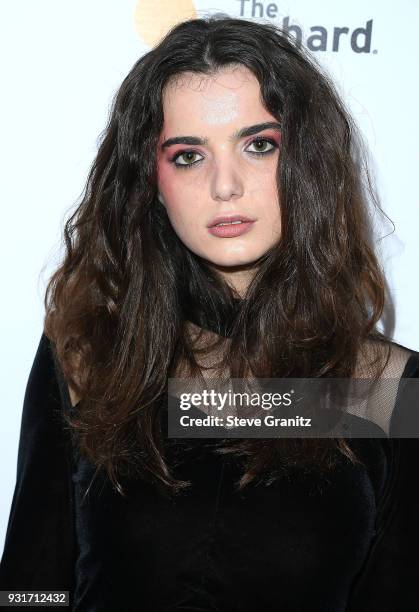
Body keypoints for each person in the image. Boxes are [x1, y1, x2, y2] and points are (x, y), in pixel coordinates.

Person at [1, 14, 418, 612]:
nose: (226, 185)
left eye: (259, 145)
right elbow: (30, 584)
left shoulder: (386, 390)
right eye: (189, 155)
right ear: (151, 179)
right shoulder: (92, 351)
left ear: (309, 161)